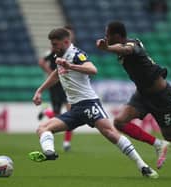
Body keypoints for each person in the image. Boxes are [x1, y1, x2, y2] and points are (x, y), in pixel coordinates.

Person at [28, 27, 159, 178]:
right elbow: (57, 74)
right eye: (52, 44)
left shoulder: (76, 54)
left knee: (110, 133)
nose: (53, 48)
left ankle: (143, 167)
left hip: (89, 103)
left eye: (56, 44)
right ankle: (49, 153)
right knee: (42, 128)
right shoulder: (61, 55)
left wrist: (70, 66)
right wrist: (39, 90)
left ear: (66, 42)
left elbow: (92, 69)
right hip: (75, 109)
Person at [96, 21, 171, 170]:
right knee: (119, 122)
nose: (105, 37)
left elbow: (126, 50)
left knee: (170, 135)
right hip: (142, 95)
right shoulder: (124, 47)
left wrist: (106, 48)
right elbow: (122, 50)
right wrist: (109, 47)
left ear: (117, 36)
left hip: (162, 97)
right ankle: (158, 145)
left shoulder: (131, 45)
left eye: (108, 35)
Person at [37, 25, 74, 152]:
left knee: (71, 112)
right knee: (58, 115)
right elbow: (41, 61)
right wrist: (50, 72)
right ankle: (47, 112)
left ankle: (67, 143)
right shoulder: (54, 50)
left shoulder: (72, 51)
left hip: (66, 85)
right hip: (55, 85)